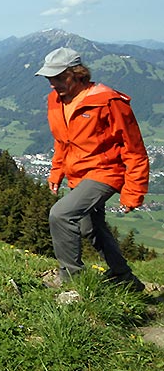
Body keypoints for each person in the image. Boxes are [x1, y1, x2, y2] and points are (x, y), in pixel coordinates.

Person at [35, 47, 148, 291]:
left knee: (61, 214)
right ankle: (124, 277)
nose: (52, 84)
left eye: (58, 77)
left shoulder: (109, 101)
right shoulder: (55, 100)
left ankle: (72, 282)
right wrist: (57, 172)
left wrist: (133, 192)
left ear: (77, 73)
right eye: (49, 78)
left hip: (105, 171)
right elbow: (62, 140)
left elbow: (134, 148)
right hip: (78, 173)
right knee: (91, 228)